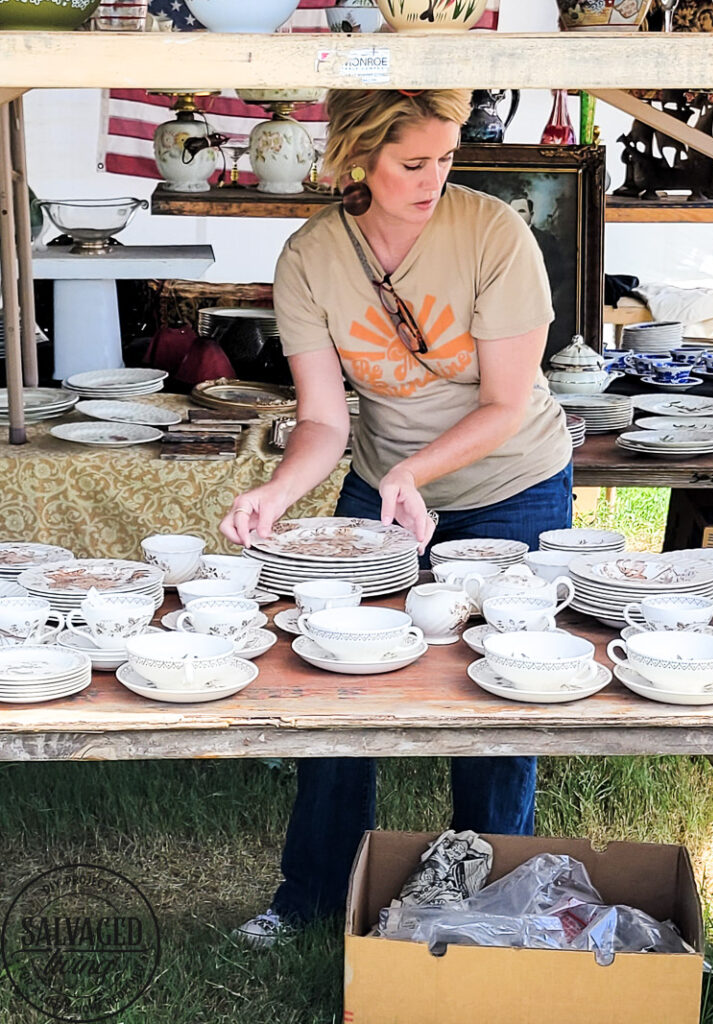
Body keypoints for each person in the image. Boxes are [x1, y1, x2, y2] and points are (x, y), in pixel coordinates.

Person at [219, 88, 573, 947]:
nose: (436, 178)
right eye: (415, 163)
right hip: (382, 489)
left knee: (498, 695)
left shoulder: (493, 233)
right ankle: (311, 896)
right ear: (357, 162)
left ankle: (487, 898)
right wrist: (278, 492)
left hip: (513, 483)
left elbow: (504, 400)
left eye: (447, 158)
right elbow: (325, 421)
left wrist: (413, 470)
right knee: (337, 682)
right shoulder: (310, 257)